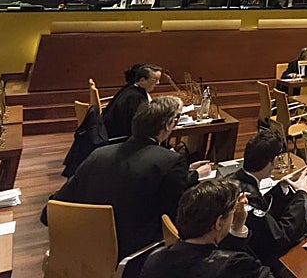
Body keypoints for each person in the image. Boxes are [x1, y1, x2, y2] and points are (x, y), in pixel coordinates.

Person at [47, 96, 211, 258]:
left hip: (79, 247)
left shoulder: (98, 154)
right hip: (133, 252)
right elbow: (172, 218)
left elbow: (56, 204)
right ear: (168, 125)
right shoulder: (171, 161)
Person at [141, 178, 272, 278]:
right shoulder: (237, 266)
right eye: (232, 213)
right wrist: (237, 228)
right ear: (219, 222)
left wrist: (235, 228)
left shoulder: (154, 259)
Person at [231, 131, 307, 276]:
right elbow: (279, 237)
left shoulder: (236, 180)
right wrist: (302, 193)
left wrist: (283, 187)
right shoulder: (245, 197)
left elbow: (263, 215)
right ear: (275, 160)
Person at [103, 63, 162, 139]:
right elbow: (139, 126)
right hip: (120, 139)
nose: (158, 83)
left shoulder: (129, 88)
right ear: (142, 80)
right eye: (154, 80)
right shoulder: (135, 99)